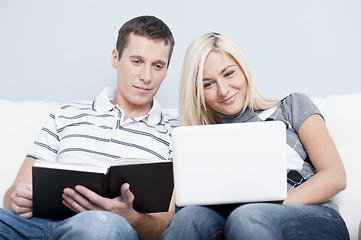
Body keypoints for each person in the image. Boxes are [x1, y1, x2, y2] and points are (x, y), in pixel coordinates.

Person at [0, 15, 177, 240]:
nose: (146, 77)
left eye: (157, 66)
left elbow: (165, 225)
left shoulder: (174, 133)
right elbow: (11, 195)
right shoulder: (66, 113)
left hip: (103, 229)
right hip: (35, 226)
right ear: (116, 58)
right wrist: (16, 198)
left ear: (167, 70)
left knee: (101, 226)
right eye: (137, 61)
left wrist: (130, 217)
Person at [160, 32, 350, 240]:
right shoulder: (197, 141)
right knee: (187, 218)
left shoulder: (292, 106)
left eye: (229, 73)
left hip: (313, 215)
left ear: (244, 69)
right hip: (233, 221)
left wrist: (272, 204)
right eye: (208, 84)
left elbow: (335, 176)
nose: (223, 90)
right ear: (197, 92)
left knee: (248, 215)